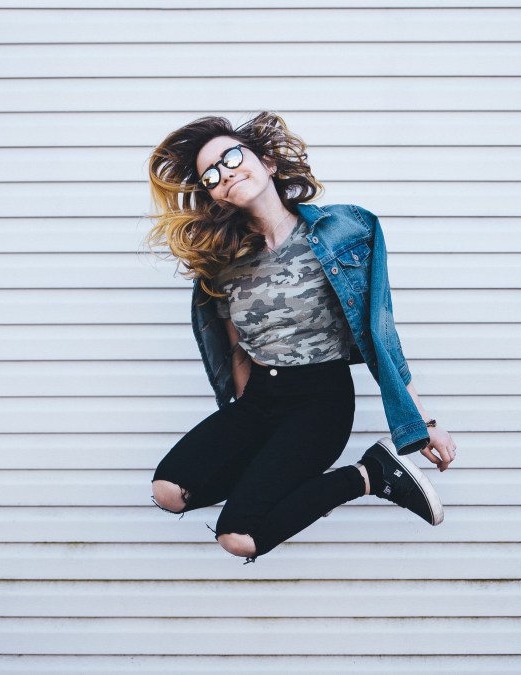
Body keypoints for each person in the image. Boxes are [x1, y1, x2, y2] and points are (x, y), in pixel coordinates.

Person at [143, 112, 457, 564]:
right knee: (169, 490)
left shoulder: (345, 231)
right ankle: (288, 477)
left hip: (319, 403)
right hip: (260, 400)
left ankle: (369, 475)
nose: (224, 173)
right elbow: (233, 349)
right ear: (214, 196)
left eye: (232, 157)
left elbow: (381, 334)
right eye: (210, 175)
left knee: (239, 538)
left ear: (267, 163)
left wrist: (421, 423)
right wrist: (239, 418)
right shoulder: (221, 264)